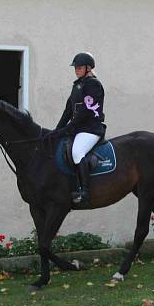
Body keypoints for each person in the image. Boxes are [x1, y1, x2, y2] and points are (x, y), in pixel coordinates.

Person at [55, 52, 106, 205]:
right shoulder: (77, 85)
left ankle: (84, 191)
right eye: (75, 67)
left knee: (77, 152)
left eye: (79, 67)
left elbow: (86, 110)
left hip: (91, 128)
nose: (76, 70)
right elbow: (68, 111)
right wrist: (57, 130)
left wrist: (70, 127)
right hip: (79, 128)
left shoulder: (93, 84)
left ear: (88, 68)